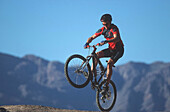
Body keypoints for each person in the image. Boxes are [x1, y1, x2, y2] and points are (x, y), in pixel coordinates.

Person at [84, 14, 124, 93]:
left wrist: (106, 41)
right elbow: (92, 37)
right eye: (103, 24)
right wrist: (87, 43)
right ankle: (91, 73)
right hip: (111, 49)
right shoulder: (102, 30)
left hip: (119, 50)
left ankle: (106, 85)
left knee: (109, 64)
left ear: (110, 22)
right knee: (96, 55)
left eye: (106, 24)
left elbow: (116, 38)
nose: (105, 26)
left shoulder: (114, 28)